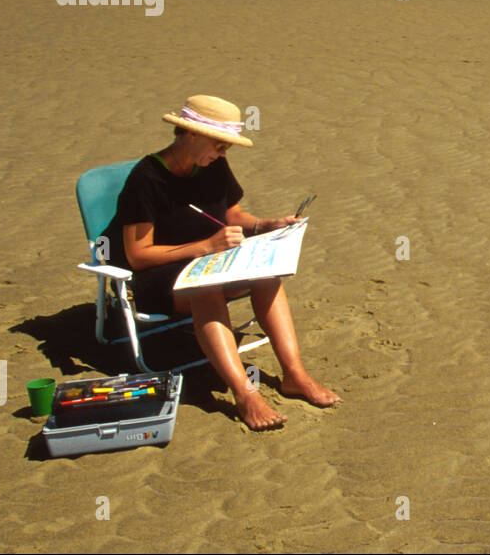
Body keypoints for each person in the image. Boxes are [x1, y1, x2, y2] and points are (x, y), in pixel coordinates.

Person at [106, 95, 340, 431]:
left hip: (212, 260)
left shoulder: (212, 166)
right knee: (206, 290)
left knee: (267, 275)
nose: (223, 153)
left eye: (227, 147)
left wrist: (266, 225)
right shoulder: (147, 179)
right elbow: (138, 255)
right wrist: (203, 246)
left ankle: (294, 375)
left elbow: (232, 215)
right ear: (190, 134)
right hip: (158, 275)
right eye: (220, 144)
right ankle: (244, 393)